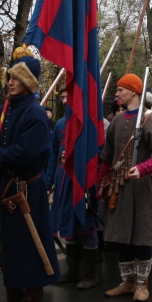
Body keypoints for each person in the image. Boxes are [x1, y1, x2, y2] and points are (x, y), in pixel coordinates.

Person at [0, 46, 60, 302]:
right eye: (9, 77)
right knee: (6, 246)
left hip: (28, 191)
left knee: (30, 247)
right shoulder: (3, 111)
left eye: (16, 78)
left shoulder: (36, 114)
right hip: (7, 189)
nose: (10, 82)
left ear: (28, 82)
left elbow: (26, 153)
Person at [98, 73, 152, 302]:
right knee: (120, 236)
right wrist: (101, 184)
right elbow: (107, 157)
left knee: (142, 236)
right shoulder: (117, 121)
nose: (117, 94)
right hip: (119, 187)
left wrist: (143, 168)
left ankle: (142, 284)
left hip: (142, 186)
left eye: (120, 89)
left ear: (134, 91)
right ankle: (127, 282)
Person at [47, 82, 99, 290]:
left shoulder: (88, 123)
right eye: (62, 97)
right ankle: (73, 270)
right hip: (62, 182)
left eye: (67, 96)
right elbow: (53, 156)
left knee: (85, 227)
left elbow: (97, 154)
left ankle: (90, 274)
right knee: (67, 225)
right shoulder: (60, 124)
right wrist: (48, 183)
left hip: (81, 182)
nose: (64, 100)